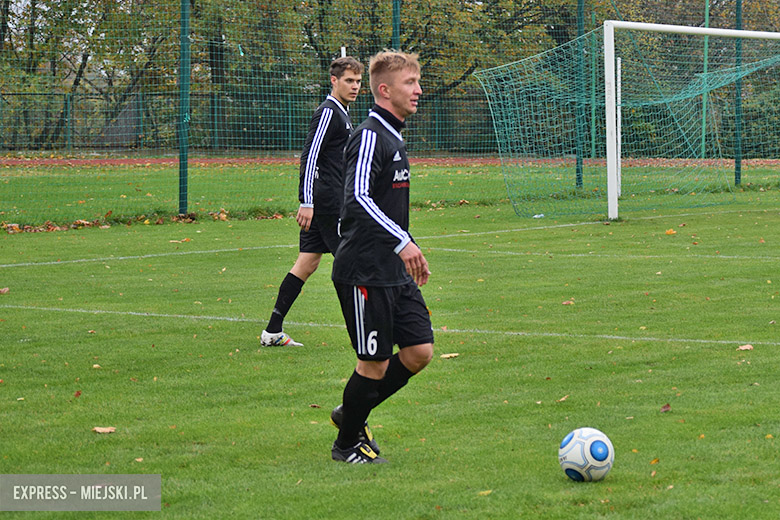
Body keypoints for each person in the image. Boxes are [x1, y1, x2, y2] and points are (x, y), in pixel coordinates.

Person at [329, 51, 433, 464]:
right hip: (364, 270)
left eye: (418, 82)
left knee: (418, 352)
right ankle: (346, 445)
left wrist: (406, 244)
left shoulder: (394, 135)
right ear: (385, 90)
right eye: (411, 83)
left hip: (392, 269)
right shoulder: (371, 133)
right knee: (373, 363)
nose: (419, 90)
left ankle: (350, 415)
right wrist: (402, 241)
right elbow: (356, 197)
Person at [261, 56, 364, 347]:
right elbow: (310, 156)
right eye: (349, 81)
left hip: (329, 201)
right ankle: (364, 334)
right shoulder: (328, 112)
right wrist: (306, 201)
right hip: (326, 204)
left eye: (358, 81)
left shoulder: (342, 112)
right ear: (334, 81)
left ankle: (272, 331)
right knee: (352, 263)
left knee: (307, 263)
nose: (355, 86)